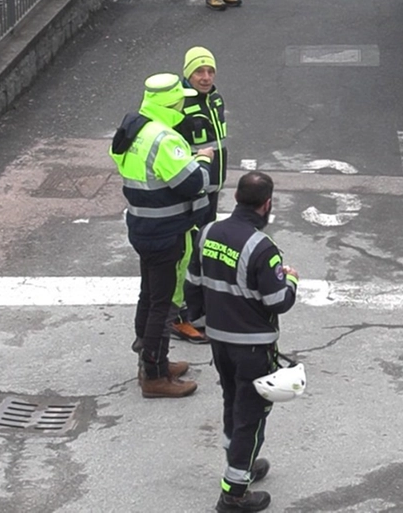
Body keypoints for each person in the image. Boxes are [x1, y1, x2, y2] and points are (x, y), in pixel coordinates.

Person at [185, 172, 298, 513]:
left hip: (220, 343)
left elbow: (192, 285)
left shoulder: (207, 233)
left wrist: (205, 326)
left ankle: (241, 465)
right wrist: (291, 280)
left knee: (233, 402)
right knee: (251, 416)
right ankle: (234, 493)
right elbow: (278, 301)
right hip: (253, 348)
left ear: (236, 199)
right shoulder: (262, 248)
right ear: (267, 205)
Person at [109, 73, 215, 398]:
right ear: (171, 103)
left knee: (149, 295)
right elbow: (192, 183)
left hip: (142, 227)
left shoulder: (134, 127)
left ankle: (151, 359)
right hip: (166, 232)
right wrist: (201, 160)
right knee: (164, 304)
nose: (184, 105)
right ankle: (154, 375)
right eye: (180, 100)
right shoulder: (163, 139)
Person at [169, 45, 230, 345]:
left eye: (210, 71)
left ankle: (197, 308)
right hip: (193, 190)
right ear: (187, 73)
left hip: (211, 188)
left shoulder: (215, 98)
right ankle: (178, 315)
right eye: (198, 72)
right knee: (187, 254)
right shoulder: (181, 105)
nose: (205, 77)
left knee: (202, 250)